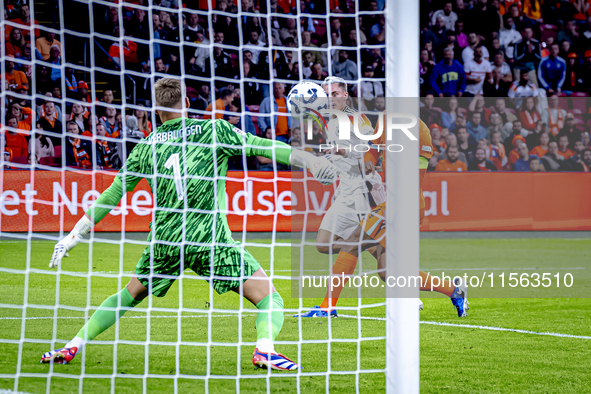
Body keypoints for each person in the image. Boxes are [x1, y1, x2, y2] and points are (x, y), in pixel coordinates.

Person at [41, 78, 338, 370]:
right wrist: (311, 162)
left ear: (156, 110)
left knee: (128, 295)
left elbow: (113, 193)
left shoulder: (146, 146)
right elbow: (263, 146)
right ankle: (265, 350)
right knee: (269, 298)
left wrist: (73, 235)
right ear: (186, 102)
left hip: (166, 240)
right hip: (209, 238)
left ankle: (73, 345)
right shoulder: (213, 129)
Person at [296, 116, 468, 318]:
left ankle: (327, 307)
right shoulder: (385, 122)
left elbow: (400, 157)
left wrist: (364, 154)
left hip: (406, 204)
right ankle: (454, 291)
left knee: (352, 243)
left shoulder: (421, 131)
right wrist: (365, 160)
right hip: (392, 202)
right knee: (387, 272)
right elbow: (372, 151)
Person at [314, 76, 375, 256]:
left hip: (363, 191)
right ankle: (366, 241)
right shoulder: (331, 123)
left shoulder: (356, 117)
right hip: (344, 193)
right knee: (323, 245)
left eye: (335, 94)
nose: (331, 99)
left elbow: (373, 147)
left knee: (385, 267)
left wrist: (345, 152)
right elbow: (340, 154)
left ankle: (450, 286)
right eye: (326, 95)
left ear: (345, 95)